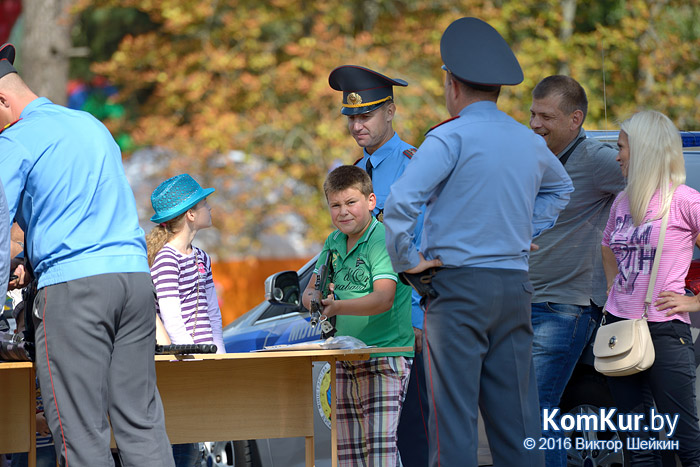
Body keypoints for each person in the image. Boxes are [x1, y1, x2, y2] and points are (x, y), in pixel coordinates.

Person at [383, 17, 574, 467]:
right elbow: (561, 189)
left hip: (456, 292)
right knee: (520, 425)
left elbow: (399, 205)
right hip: (513, 287)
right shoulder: (528, 141)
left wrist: (408, 261)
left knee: (452, 428)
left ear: (452, 84)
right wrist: (522, 233)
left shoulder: (449, 136)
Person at [0, 43, 174, 466]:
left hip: (75, 293)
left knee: (80, 433)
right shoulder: (90, 124)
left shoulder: (16, 140)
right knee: (141, 424)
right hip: (133, 284)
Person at [328, 64, 429, 466]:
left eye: (366, 114)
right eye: (351, 116)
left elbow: (425, 244)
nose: (357, 125)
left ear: (390, 111)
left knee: (410, 442)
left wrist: (420, 317)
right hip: (361, 332)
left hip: (405, 326)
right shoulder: (354, 174)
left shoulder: (414, 165)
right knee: (363, 449)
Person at [528, 75, 626, 467]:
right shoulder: (534, 158)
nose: (535, 124)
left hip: (564, 306)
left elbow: (658, 190)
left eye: (546, 117)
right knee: (525, 409)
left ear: (575, 119)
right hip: (524, 300)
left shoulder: (598, 159)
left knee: (538, 406)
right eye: (532, 113)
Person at [602, 110, 700, 465]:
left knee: (686, 443)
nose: (617, 155)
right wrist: (616, 288)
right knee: (637, 447)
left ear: (643, 150)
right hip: (619, 327)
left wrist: (694, 304)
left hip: (665, 331)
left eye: (622, 147)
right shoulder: (622, 201)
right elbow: (607, 244)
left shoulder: (685, 200)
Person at [301, 165, 414, 467]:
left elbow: (383, 298)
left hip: (383, 355)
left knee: (379, 452)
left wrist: (336, 307)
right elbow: (310, 290)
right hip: (344, 357)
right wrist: (314, 299)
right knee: (348, 455)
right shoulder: (333, 242)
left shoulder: (382, 239)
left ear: (371, 201)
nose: (343, 212)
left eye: (351, 202)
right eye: (335, 205)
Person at [146, 173, 225, 467]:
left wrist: (218, 351)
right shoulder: (167, 258)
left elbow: (211, 310)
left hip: (201, 357)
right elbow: (171, 314)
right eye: (205, 203)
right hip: (181, 363)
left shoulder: (201, 256)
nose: (210, 208)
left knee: (195, 445)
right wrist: (189, 354)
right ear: (191, 214)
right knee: (182, 445)